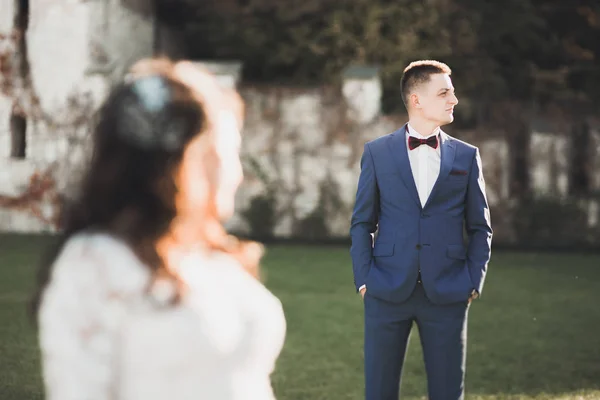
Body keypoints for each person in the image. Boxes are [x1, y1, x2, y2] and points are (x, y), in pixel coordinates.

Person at [31, 58, 286, 400]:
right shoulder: (96, 264)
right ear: (188, 158)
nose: (237, 172)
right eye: (227, 151)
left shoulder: (214, 259)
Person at [349, 60, 492, 400]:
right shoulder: (377, 152)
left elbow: (480, 227)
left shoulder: (467, 157)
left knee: (447, 392)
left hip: (448, 291)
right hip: (386, 290)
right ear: (416, 99)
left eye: (453, 93)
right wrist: (365, 278)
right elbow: (362, 222)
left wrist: (473, 280)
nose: (453, 100)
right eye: (444, 93)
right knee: (379, 391)